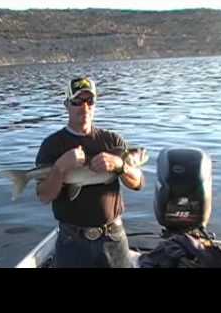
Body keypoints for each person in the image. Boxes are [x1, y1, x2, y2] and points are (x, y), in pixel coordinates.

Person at [35, 77, 145, 268]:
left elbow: (138, 183)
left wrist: (120, 165)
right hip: (71, 242)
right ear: (66, 105)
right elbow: (44, 196)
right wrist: (60, 168)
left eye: (90, 101)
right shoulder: (52, 145)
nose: (84, 107)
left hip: (113, 238)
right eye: (77, 101)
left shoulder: (113, 141)